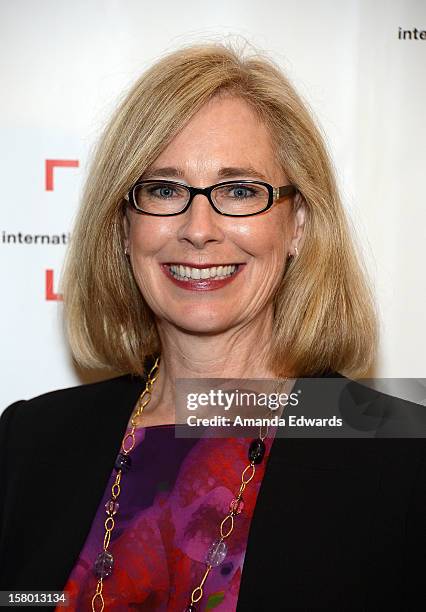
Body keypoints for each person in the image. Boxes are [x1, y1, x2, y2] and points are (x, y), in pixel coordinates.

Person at [0, 42, 424, 612]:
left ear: (297, 224)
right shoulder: (29, 442)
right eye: (165, 189)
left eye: (240, 190)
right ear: (124, 225)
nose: (198, 229)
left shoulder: (403, 459)